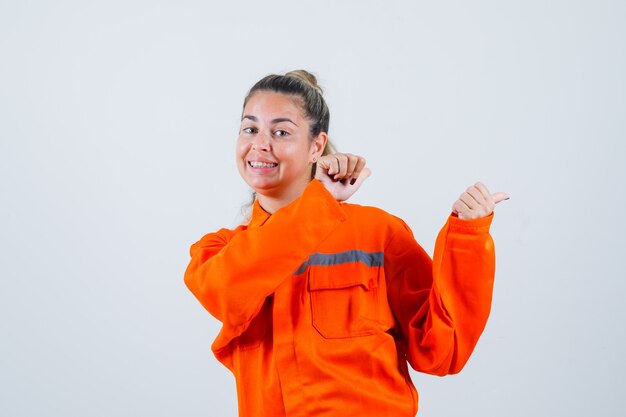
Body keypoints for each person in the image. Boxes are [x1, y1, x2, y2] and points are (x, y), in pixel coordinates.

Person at [184, 70, 508, 417]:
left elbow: (442, 350)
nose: (261, 143)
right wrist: (319, 202)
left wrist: (466, 239)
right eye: (250, 129)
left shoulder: (377, 233)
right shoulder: (218, 252)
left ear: (316, 147)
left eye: (281, 131)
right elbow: (227, 292)